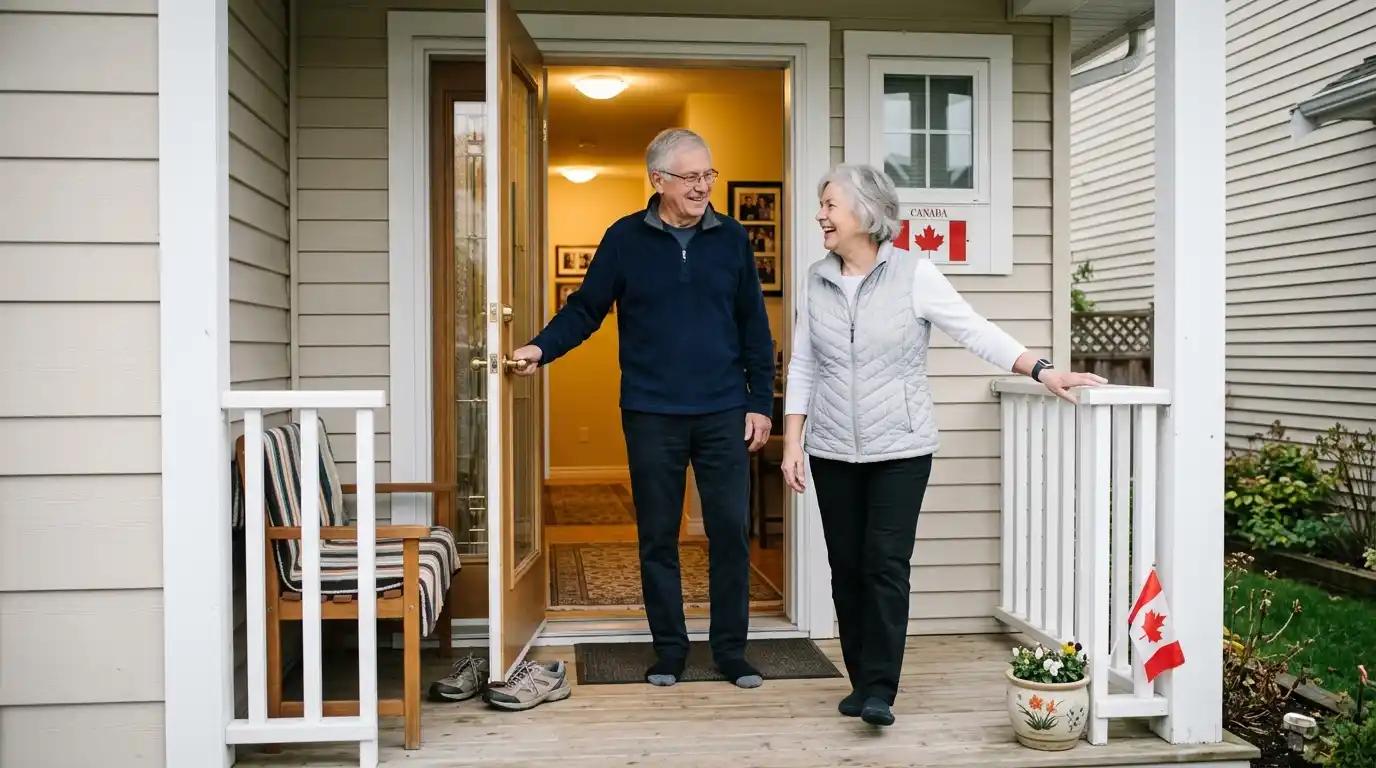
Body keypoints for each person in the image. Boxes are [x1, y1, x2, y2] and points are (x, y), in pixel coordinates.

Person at [781, 164, 1104, 727]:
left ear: (865, 212)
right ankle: (860, 681)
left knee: (884, 564)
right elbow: (805, 363)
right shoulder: (816, 278)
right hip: (831, 448)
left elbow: (974, 328)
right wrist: (792, 442)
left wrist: (1042, 369)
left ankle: (880, 688)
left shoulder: (914, 274)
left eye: (829, 205)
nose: (820, 216)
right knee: (846, 567)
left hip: (901, 449)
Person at [510, 128, 775, 689]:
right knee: (658, 536)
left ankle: (731, 652)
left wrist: (759, 404)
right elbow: (585, 309)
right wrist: (539, 347)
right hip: (651, 412)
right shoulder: (624, 239)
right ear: (658, 180)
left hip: (724, 410)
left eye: (709, 175)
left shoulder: (731, 239)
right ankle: (670, 651)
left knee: (729, 531)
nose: (703, 186)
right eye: (690, 176)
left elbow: (755, 324)